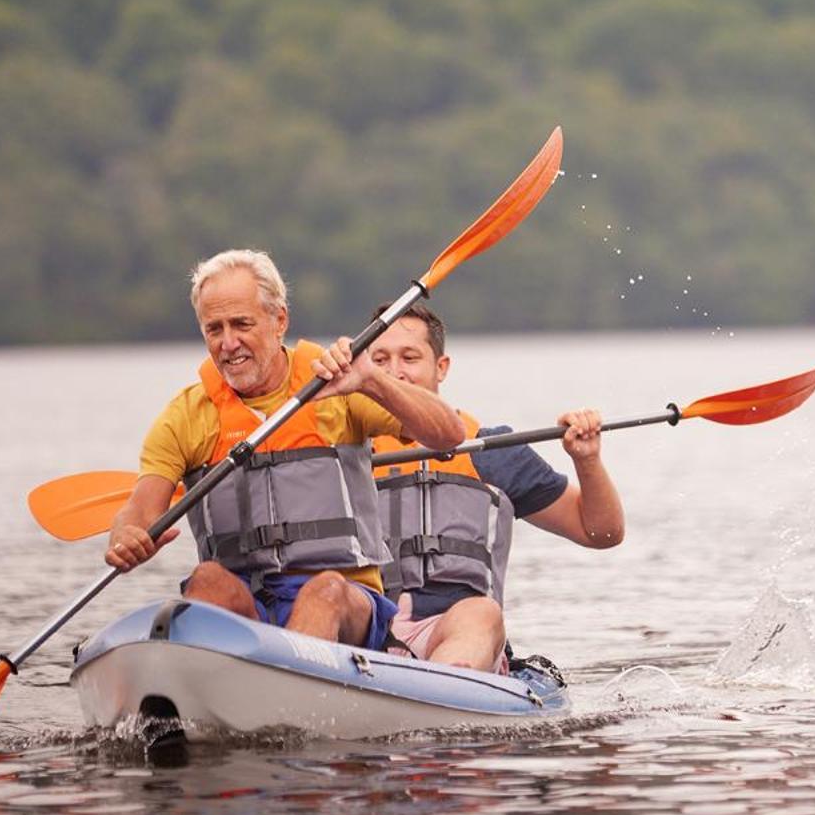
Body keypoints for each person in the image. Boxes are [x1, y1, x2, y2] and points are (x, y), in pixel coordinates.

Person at [104, 250, 466, 650]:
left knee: (323, 589)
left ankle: (292, 693)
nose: (228, 343)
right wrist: (126, 535)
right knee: (206, 579)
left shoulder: (337, 384)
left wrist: (371, 380)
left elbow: (448, 434)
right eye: (214, 329)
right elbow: (142, 508)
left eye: (242, 324)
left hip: (346, 601)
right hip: (246, 605)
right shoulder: (187, 415)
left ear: (280, 321)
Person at [365, 300, 624, 673]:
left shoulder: (489, 451)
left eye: (409, 357)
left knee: (480, 613)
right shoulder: (341, 451)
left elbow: (601, 531)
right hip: (371, 629)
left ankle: (444, 694)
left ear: (441, 368)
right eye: (380, 359)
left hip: (458, 630)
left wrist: (587, 460)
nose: (394, 372)